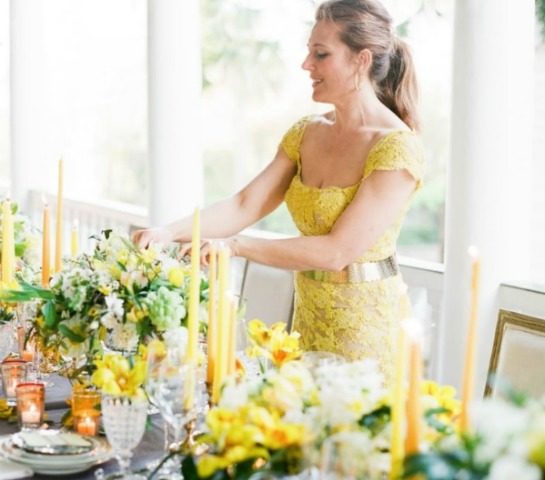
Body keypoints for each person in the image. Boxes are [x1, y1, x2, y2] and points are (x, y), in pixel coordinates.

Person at [133, 0, 424, 382]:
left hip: (366, 330)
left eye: (320, 54)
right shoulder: (306, 132)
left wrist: (236, 246)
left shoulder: (396, 148)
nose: (307, 65)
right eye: (308, 52)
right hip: (308, 316)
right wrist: (168, 232)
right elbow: (244, 203)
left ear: (361, 60)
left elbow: (337, 251)